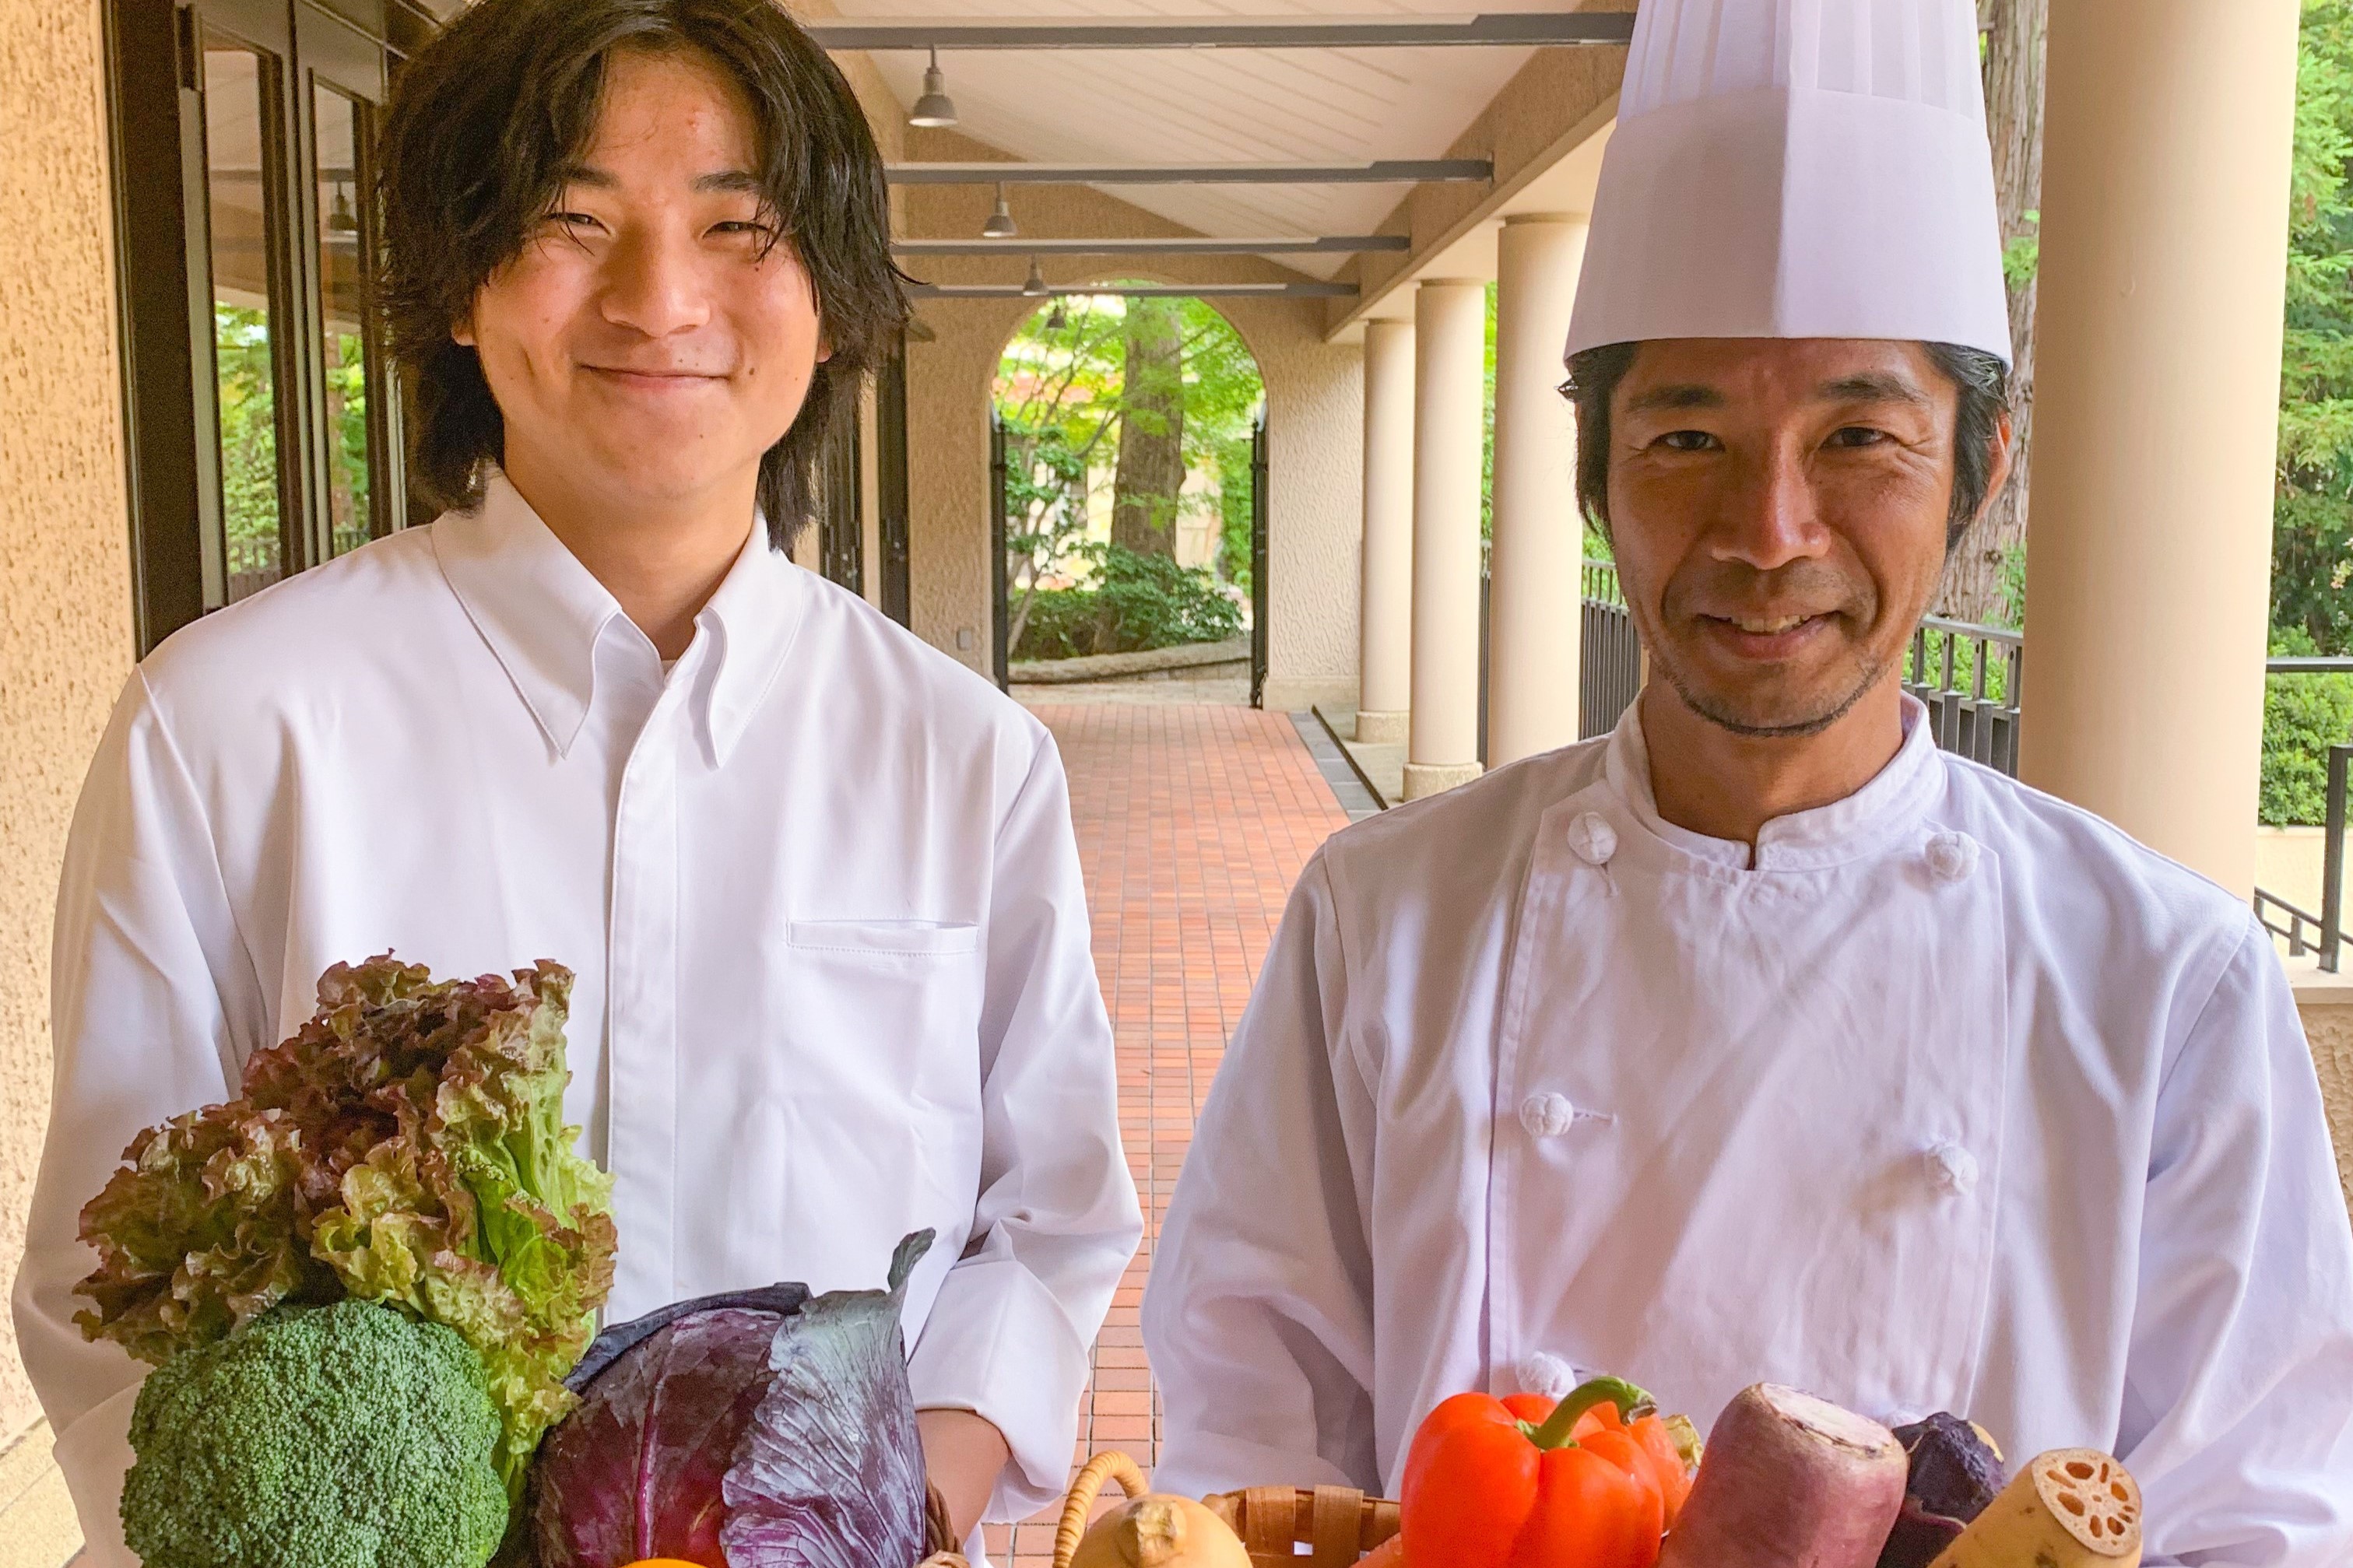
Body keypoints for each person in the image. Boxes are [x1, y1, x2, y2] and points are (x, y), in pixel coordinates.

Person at [1143, 1, 2353, 1561]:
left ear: (1977, 473)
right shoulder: (1384, 917)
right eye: (1689, 436)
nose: (1771, 532)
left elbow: (2258, 1511)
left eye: (1860, 435)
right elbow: (1255, 1420)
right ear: (1593, 477)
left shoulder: (2164, 976)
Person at [16, 1, 1140, 1559]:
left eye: (739, 225)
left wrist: (896, 1502)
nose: (659, 297)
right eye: (570, 218)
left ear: (830, 305)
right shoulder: (229, 724)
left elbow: (1045, 1222)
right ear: (463, 289)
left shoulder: (964, 756)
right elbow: (109, 1279)